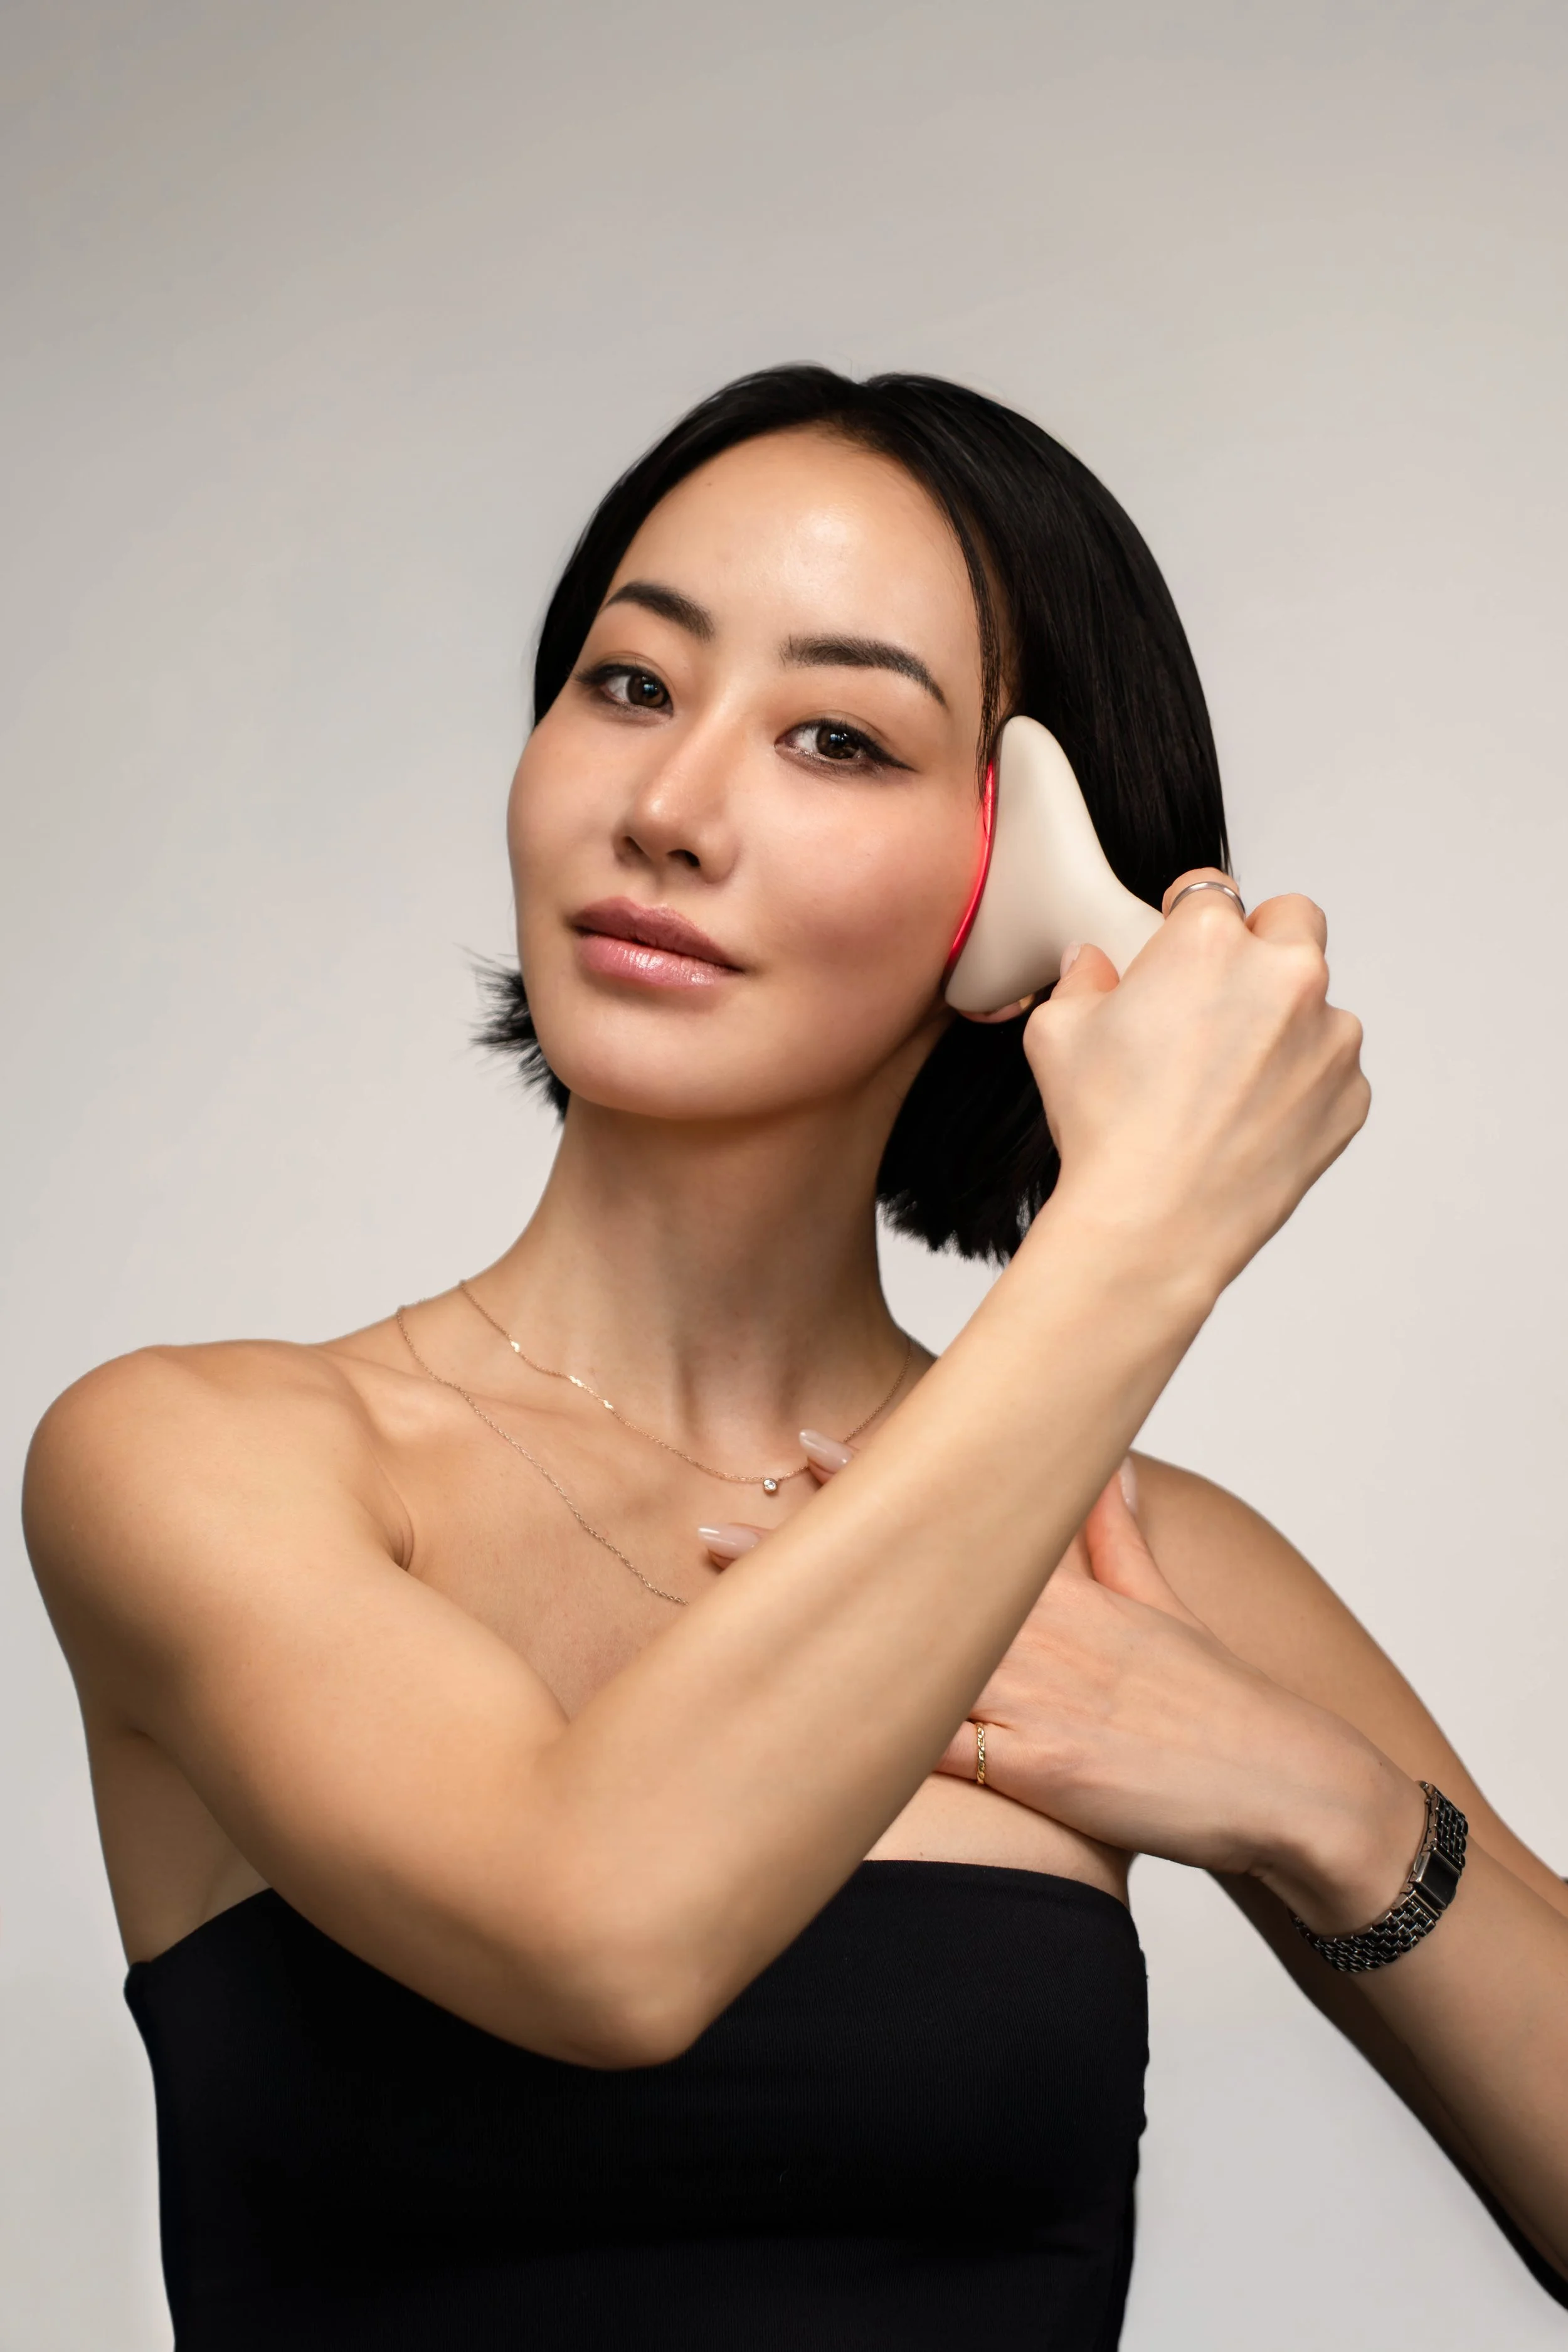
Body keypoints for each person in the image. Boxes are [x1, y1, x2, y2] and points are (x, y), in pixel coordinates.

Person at [23, 366, 1567, 2350]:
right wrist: (1144, 1232)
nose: (666, 809)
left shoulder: (1129, 1563)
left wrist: (1325, 1804)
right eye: (629, 684)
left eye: (836, 736)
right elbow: (599, 1926)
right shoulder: (202, 1454)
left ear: (1024, 892)